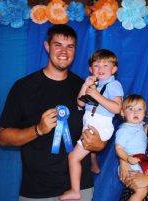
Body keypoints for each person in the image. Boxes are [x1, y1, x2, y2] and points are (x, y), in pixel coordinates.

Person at [0, 24, 106, 201]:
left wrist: (99, 144)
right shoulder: (23, 87)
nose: (64, 51)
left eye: (70, 46)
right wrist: (38, 130)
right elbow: (3, 138)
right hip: (37, 191)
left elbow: (98, 129)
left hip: (79, 188)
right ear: (47, 46)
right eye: (58, 45)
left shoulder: (86, 89)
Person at [60, 49, 124, 200]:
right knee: (89, 149)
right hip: (90, 122)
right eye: (96, 65)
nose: (100, 69)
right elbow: (80, 102)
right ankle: (94, 163)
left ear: (114, 69)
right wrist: (86, 85)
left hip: (99, 126)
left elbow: (116, 108)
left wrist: (96, 95)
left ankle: (75, 190)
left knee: (73, 157)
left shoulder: (114, 84)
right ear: (90, 69)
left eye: (106, 65)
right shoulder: (94, 83)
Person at [115, 94, 148, 201]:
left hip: (140, 165)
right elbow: (118, 148)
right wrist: (127, 159)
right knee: (141, 191)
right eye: (131, 109)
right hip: (129, 167)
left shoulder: (141, 126)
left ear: (145, 114)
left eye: (139, 109)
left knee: (144, 190)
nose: (136, 112)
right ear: (123, 113)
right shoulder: (124, 130)